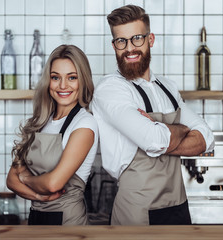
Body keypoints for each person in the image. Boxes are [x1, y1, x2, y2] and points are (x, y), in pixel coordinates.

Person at [91, 5, 215, 225]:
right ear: (114, 46)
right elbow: (153, 140)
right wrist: (182, 130)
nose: (129, 48)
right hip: (137, 211)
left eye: (137, 38)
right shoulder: (110, 89)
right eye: (122, 41)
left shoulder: (167, 87)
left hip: (179, 207)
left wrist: (161, 133)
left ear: (151, 39)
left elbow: (206, 138)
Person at [6, 44, 98, 225]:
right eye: (56, 77)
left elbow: (54, 184)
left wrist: (25, 178)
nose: (63, 85)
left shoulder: (85, 124)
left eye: (72, 77)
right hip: (36, 219)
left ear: (83, 80)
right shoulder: (40, 122)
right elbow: (10, 180)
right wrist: (38, 196)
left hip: (68, 223)